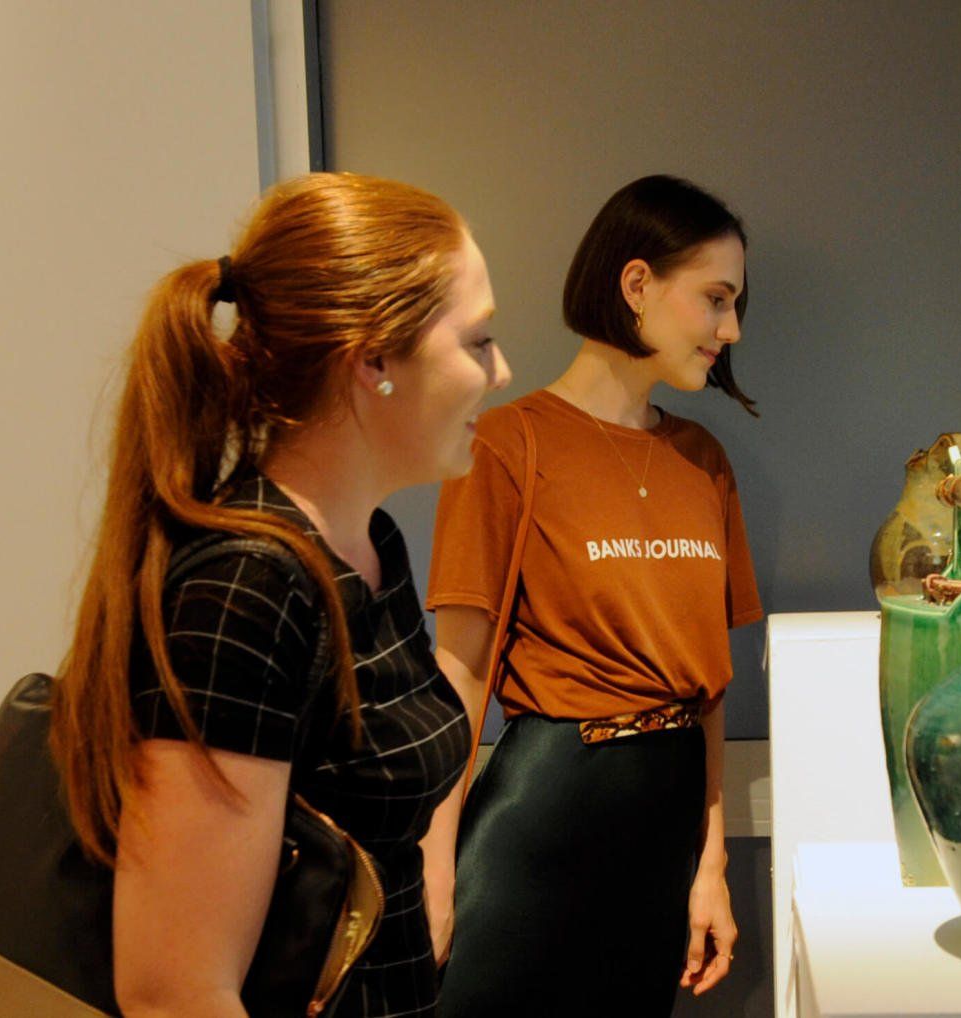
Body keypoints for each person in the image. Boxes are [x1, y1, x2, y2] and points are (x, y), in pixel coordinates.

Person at [51, 172, 512, 1018]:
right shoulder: (246, 590)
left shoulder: (370, 547)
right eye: (477, 342)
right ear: (373, 358)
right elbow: (175, 993)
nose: (501, 369)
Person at [424, 175, 764, 1016]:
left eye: (736, 304)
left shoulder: (704, 461)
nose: (732, 330)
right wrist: (427, 878)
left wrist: (710, 866)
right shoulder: (508, 444)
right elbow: (459, 676)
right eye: (715, 299)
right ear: (637, 283)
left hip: (663, 832)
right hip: (546, 815)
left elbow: (711, 685)